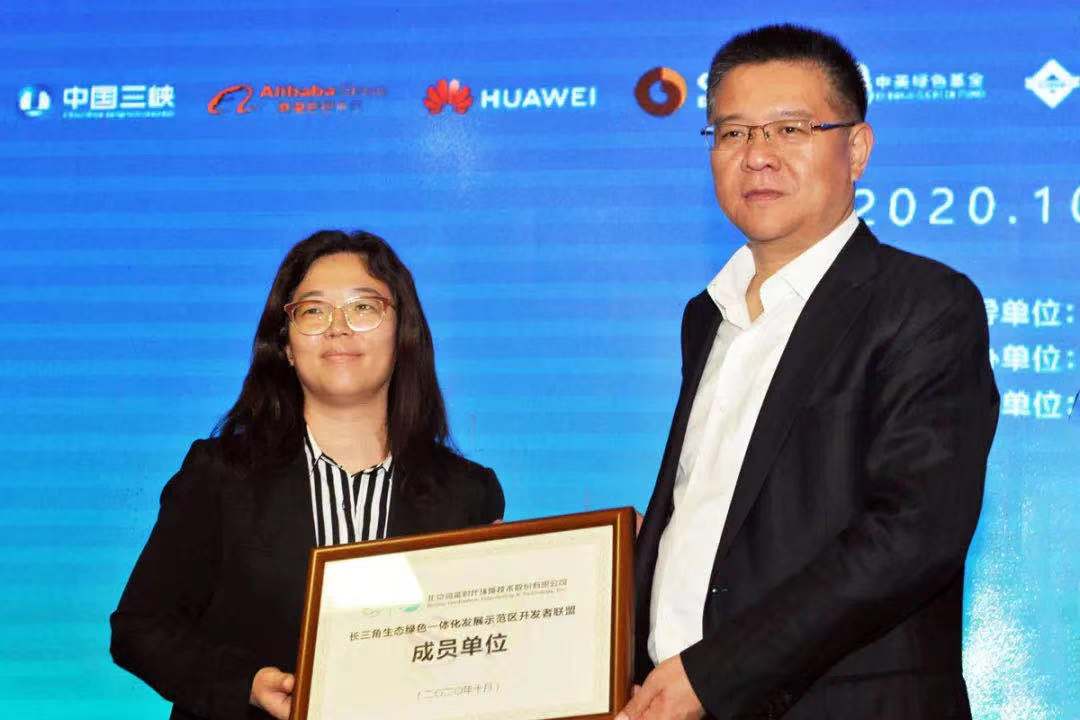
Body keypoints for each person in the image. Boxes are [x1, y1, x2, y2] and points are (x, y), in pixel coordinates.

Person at [619, 24, 998, 720]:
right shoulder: (706, 316)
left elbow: (913, 534)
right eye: (733, 133)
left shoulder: (923, 305)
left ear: (856, 149)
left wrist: (714, 674)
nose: (757, 155)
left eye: (790, 129)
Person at [110, 230, 504, 720]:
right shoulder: (221, 476)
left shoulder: (467, 493)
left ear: (403, 336)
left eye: (364, 308)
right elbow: (140, 628)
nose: (338, 328)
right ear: (287, 346)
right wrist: (247, 683)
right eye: (313, 311)